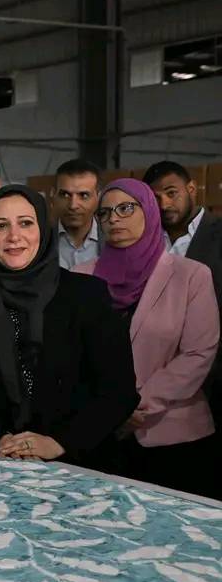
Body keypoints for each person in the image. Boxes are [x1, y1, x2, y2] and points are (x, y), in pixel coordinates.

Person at [0, 185, 138, 467]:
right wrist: (1, 439)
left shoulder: (86, 295)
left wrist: (58, 442)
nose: (13, 236)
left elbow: (119, 391)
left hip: (76, 462)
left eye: (25, 223)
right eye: (0, 225)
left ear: (43, 229)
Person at [76, 178, 219, 499]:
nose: (114, 218)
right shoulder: (81, 277)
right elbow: (71, 355)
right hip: (98, 436)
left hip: (173, 437)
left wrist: (132, 405)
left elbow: (199, 353)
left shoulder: (191, 275)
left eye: (126, 208)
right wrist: (107, 411)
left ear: (150, 211)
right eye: (105, 212)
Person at [146, 160, 222, 460]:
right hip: (157, 383)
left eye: (171, 193)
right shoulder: (147, 241)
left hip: (214, 378)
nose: (164, 204)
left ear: (192, 189)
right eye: (155, 197)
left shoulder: (218, 234)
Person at [53, 158, 102, 270]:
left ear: (98, 197)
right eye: (65, 195)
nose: (73, 205)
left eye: (84, 195)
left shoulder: (112, 239)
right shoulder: (40, 240)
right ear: (53, 195)